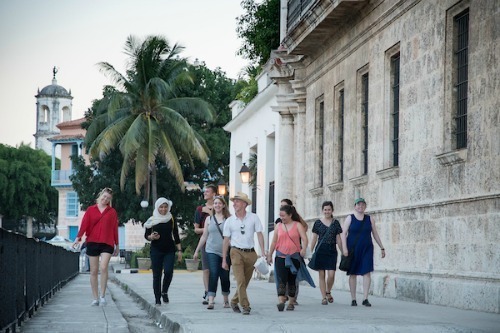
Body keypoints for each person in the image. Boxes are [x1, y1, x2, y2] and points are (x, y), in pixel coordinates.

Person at [72, 187, 119, 306]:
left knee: (103, 267)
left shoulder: (112, 212)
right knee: (93, 271)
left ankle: (103, 296)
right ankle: (95, 298)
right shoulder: (90, 210)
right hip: (92, 242)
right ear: (100, 196)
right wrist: (78, 238)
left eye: (108, 198)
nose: (105, 199)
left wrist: (117, 245)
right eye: (104, 197)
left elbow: (115, 229)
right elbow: (84, 225)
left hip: (107, 243)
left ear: (110, 200)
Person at [222, 192, 266, 315]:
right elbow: (226, 240)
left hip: (251, 253)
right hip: (235, 252)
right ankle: (246, 306)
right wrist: (224, 259)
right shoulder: (230, 221)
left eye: (237, 201)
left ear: (244, 204)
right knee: (240, 280)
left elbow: (259, 234)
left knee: (245, 282)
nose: (234, 203)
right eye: (234, 201)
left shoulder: (254, 217)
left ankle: (234, 301)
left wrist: (263, 251)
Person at [340, 197, 386, 307]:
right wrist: (344, 249)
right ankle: (353, 298)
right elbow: (343, 234)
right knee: (353, 273)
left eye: (362, 205)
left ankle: (365, 298)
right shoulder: (350, 218)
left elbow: (375, 234)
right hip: (353, 249)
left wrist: (382, 247)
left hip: (367, 249)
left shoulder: (370, 219)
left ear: (365, 206)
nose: (360, 206)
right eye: (358, 204)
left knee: (367, 272)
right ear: (355, 206)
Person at [267, 205, 309, 311]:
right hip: (280, 256)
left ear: (290, 215)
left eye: (283, 215)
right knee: (281, 279)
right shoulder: (278, 226)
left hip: (294, 257)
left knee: (292, 279)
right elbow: (274, 241)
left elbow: (304, 238)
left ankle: (291, 302)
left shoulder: (297, 225)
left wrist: (303, 249)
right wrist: (270, 254)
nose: (282, 218)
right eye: (280, 215)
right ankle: (281, 301)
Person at [193, 196, 231, 309]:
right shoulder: (209, 220)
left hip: (225, 252)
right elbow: (204, 236)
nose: (217, 205)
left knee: (224, 276)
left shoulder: (229, 220)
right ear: (213, 206)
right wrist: (196, 251)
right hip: (211, 250)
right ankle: (211, 300)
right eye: (215, 203)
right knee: (213, 273)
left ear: (224, 205)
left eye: (219, 203)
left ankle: (225, 300)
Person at [144, 197, 182, 306]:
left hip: (169, 249)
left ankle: (164, 291)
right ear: (157, 207)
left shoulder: (171, 218)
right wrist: (151, 237)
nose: (163, 209)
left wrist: (179, 250)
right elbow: (146, 236)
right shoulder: (151, 219)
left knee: (169, 271)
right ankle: (157, 298)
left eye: (165, 207)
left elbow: (176, 235)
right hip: (156, 250)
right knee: (157, 275)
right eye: (161, 207)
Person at [309, 201, 343, 305]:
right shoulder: (318, 223)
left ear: (332, 210)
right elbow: (314, 238)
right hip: (320, 250)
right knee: (322, 274)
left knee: (331, 274)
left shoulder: (336, 223)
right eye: (325, 209)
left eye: (329, 209)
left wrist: (343, 252)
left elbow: (339, 239)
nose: (327, 211)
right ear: (322, 210)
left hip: (332, 250)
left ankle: (328, 291)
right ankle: (324, 297)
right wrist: (310, 252)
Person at [194, 184, 216, 304]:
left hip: (219, 242)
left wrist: (211, 213)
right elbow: (196, 229)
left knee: (216, 270)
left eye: (208, 191)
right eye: (205, 191)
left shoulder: (219, 207)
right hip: (205, 241)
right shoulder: (200, 210)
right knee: (206, 269)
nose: (205, 193)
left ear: (214, 194)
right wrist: (207, 229)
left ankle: (214, 291)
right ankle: (207, 291)